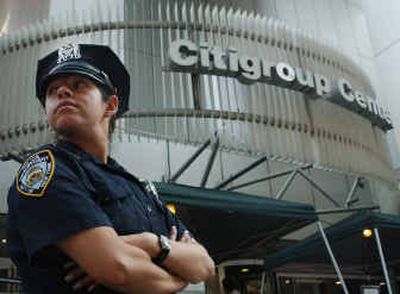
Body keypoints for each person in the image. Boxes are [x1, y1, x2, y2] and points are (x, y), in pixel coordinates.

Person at [6, 43, 215, 293]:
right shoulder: (46, 168)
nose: (62, 91)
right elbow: (120, 269)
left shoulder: (136, 188)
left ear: (111, 105)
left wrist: (152, 244)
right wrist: (178, 277)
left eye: (78, 85)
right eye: (52, 91)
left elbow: (204, 266)